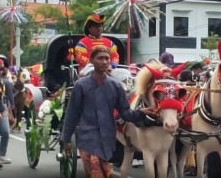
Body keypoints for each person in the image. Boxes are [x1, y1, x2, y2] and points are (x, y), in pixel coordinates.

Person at [61, 45, 153, 178]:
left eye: (107, 58)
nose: (104, 62)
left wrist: (142, 113)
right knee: (95, 173)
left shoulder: (115, 86)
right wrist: (66, 139)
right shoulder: (81, 85)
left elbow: (125, 112)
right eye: (100, 58)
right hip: (87, 138)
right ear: (92, 61)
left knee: (105, 173)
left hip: (107, 138)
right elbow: (72, 114)